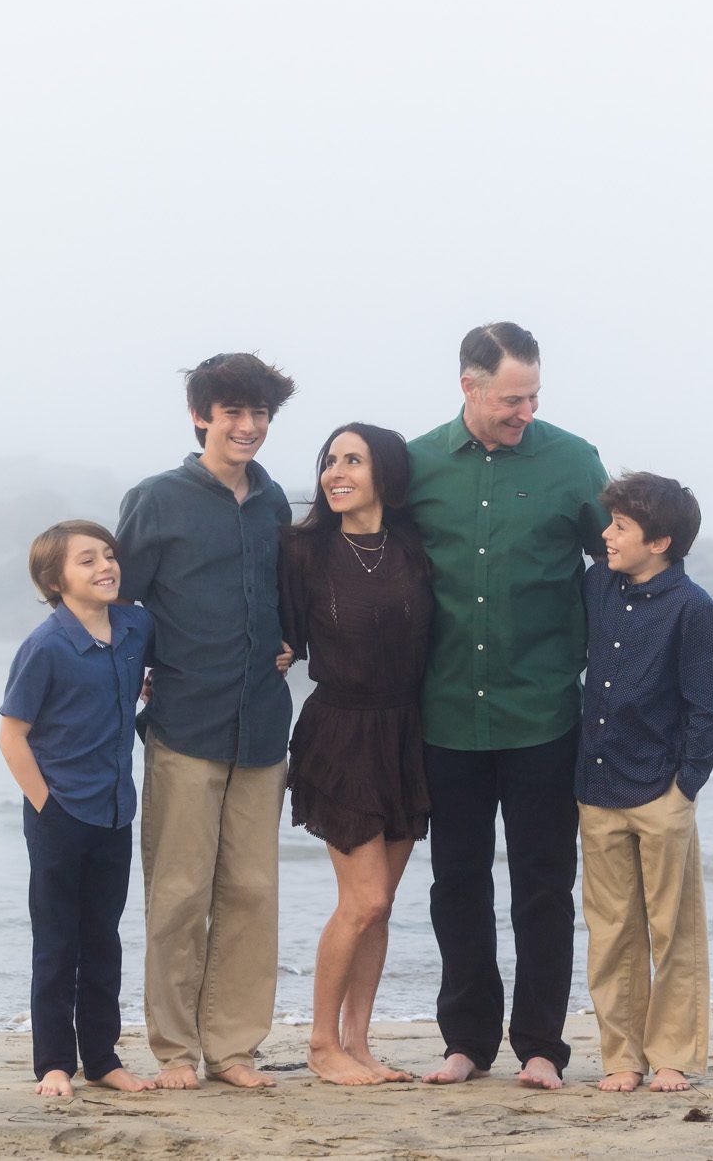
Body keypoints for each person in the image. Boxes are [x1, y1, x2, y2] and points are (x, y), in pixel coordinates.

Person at [406, 322, 609, 1090]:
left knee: (543, 885)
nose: (524, 411)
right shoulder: (419, 464)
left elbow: (617, 559)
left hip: (544, 712)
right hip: (446, 712)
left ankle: (540, 1047)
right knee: (456, 880)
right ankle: (465, 1040)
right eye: (510, 398)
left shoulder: (572, 460)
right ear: (470, 386)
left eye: (533, 397)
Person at [115, 352, 298, 1090]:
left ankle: (233, 1047)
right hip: (184, 721)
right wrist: (136, 681)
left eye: (259, 414)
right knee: (180, 892)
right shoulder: (157, 498)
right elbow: (122, 604)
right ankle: (173, 1049)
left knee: (252, 889)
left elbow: (287, 589)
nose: (248, 426)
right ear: (201, 415)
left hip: (261, 722)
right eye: (234, 412)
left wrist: (295, 640)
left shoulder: (274, 499)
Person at [280, 423, 435, 1086]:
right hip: (339, 732)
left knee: (384, 902)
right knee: (363, 899)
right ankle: (320, 1044)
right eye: (330, 461)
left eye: (353, 460)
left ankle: (358, 1042)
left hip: (406, 732)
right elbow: (276, 632)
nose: (336, 472)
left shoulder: (415, 548)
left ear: (385, 474)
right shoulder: (302, 550)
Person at [576, 473, 713, 1094]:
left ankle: (673, 1055)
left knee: (673, 930)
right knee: (610, 932)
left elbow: (708, 710)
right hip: (596, 786)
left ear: (660, 541)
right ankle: (622, 1057)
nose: (606, 536)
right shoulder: (596, 586)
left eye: (620, 527)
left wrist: (684, 788)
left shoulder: (694, 609)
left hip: (661, 792)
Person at [0, 520, 156, 1097]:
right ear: (55, 579)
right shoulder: (45, 646)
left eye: (108, 555)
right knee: (58, 942)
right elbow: (12, 736)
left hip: (116, 811)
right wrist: (48, 807)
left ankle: (104, 1060)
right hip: (61, 814)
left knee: (104, 939)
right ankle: (55, 1065)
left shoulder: (136, 624)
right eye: (86, 560)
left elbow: (172, 665)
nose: (105, 566)